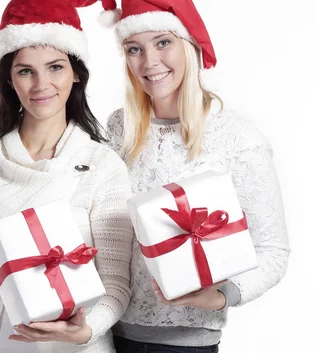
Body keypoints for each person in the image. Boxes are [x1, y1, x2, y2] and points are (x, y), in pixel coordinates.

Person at [0, 1, 134, 352]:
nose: (41, 84)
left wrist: (85, 330)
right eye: (25, 71)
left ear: (76, 73)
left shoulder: (103, 166)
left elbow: (117, 285)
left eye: (55, 67)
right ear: (10, 79)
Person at [99, 1, 291, 352]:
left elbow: (272, 252)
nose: (149, 62)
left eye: (162, 42)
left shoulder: (237, 138)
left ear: (188, 45)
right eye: (134, 49)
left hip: (187, 345)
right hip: (104, 333)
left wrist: (220, 297)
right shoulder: (117, 129)